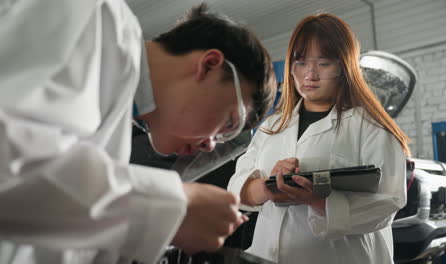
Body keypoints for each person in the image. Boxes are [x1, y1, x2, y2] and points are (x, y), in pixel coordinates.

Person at [0, 1, 276, 264]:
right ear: (209, 65)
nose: (210, 146)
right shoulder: (93, 15)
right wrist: (174, 207)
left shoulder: (118, 118)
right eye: (229, 124)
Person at [227, 13, 410, 264]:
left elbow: (389, 202)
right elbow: (237, 188)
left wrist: (318, 202)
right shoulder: (272, 126)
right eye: (300, 62)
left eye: (323, 63)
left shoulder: (370, 127)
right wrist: (268, 187)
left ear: (344, 68)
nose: (310, 74)